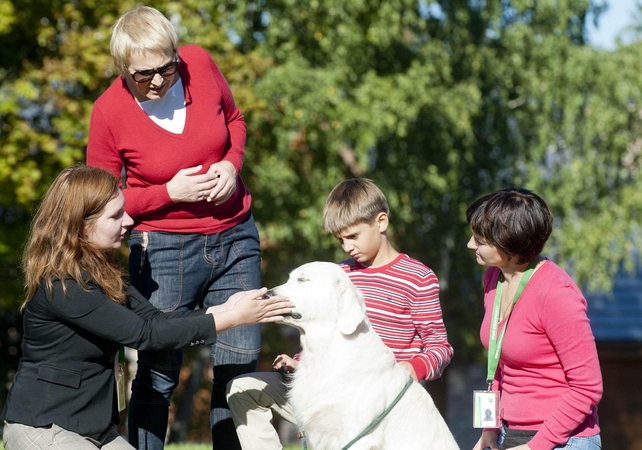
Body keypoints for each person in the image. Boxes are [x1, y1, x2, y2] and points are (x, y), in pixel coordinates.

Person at [0, 165, 293, 450]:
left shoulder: (104, 270)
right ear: (81, 225)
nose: (128, 221)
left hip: (94, 431)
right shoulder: (64, 285)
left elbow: (154, 319)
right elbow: (145, 334)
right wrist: (231, 318)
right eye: (115, 215)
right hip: (45, 429)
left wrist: (222, 309)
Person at [85, 6, 261, 449]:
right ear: (123, 68)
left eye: (167, 67)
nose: (160, 81)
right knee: (159, 373)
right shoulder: (108, 112)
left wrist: (230, 163)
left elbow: (235, 120)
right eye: (144, 75)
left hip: (236, 232)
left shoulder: (200, 63)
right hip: (163, 248)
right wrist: (169, 192)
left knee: (238, 368)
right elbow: (100, 201)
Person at [226, 178, 454, 449]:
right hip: (321, 388)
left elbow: (440, 346)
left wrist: (412, 368)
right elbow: (323, 331)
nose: (346, 247)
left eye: (353, 236)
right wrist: (300, 361)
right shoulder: (337, 274)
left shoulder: (418, 277)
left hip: (379, 404)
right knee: (241, 389)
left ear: (381, 222)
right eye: (340, 239)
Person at [466, 187, 602, 450]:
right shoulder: (493, 278)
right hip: (509, 435)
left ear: (510, 245)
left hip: (563, 441)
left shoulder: (556, 293)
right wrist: (490, 429)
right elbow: (499, 362)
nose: (470, 245)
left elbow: (588, 387)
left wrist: (535, 447)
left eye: (480, 240)